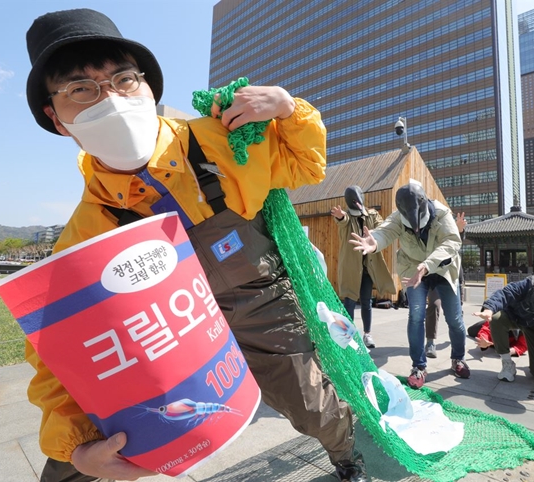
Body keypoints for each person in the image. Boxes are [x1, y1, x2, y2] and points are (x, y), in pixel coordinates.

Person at [24, 9, 368, 482]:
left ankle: (348, 453)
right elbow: (57, 353)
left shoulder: (218, 137)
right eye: (81, 90)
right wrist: (76, 449)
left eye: (123, 80)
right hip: (169, 334)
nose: (110, 100)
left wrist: (289, 109)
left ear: (148, 88)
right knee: (77, 462)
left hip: (262, 303)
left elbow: (304, 166)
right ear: (56, 118)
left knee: (312, 406)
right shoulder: (89, 230)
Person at [349, 180, 469, 389]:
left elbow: (452, 241)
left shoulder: (442, 214)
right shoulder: (397, 217)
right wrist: (374, 241)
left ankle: (457, 358)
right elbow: (385, 231)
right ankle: (418, 366)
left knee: (455, 319)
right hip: (414, 271)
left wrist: (427, 265)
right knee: (415, 315)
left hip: (442, 269)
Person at [331, 186, 395, 349]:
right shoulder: (347, 217)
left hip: (368, 268)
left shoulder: (372, 215)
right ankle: (348, 336)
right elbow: (343, 221)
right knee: (349, 302)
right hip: (351, 268)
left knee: (366, 302)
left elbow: (383, 227)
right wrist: (340, 217)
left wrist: (372, 233)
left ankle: (367, 334)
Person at [424, 212, 465, 359]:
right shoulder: (430, 229)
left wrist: (459, 230)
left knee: (456, 316)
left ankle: (458, 355)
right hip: (434, 276)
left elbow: (456, 243)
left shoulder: (450, 230)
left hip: (452, 276)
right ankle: (430, 342)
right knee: (434, 305)